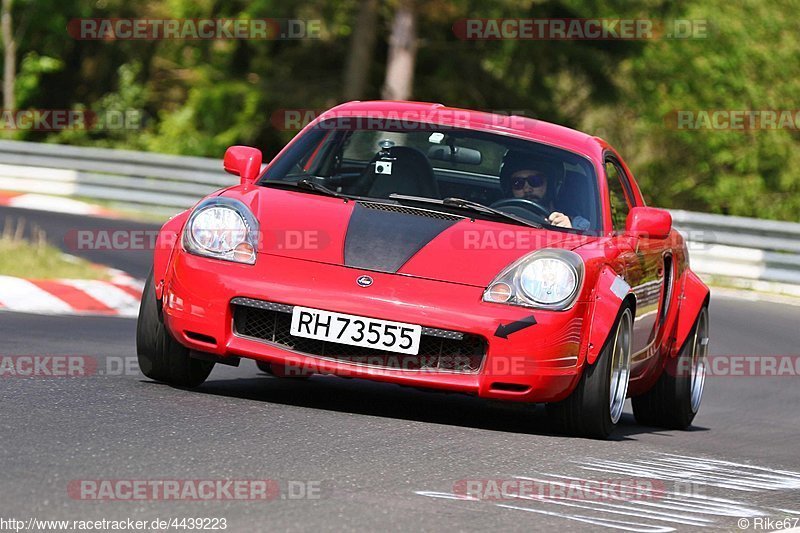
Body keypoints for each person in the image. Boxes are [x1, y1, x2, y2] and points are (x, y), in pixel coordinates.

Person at [499, 151, 591, 231]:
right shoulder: (495, 217)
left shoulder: (578, 225)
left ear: (551, 185)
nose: (527, 189)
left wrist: (568, 232)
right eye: (518, 183)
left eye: (535, 181)